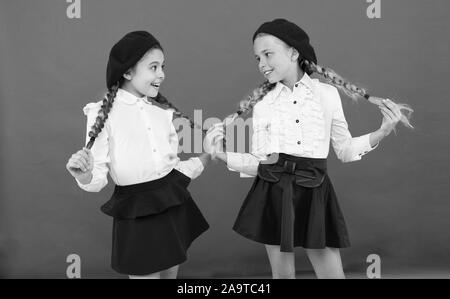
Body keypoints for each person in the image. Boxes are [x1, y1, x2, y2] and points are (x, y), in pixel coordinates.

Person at [206, 19, 412, 279]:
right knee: (282, 276)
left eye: (268, 54)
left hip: (314, 190)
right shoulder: (263, 103)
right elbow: (260, 161)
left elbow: (346, 150)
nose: (261, 64)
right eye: (257, 58)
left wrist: (381, 131)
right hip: (273, 189)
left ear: (293, 52)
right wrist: (223, 155)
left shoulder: (327, 94)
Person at [66, 31, 211, 279]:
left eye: (162, 67)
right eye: (153, 67)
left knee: (170, 275)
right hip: (136, 212)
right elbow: (97, 177)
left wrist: (207, 155)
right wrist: (86, 174)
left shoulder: (160, 114)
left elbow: (170, 171)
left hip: (172, 206)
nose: (161, 74)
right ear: (127, 72)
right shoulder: (102, 113)